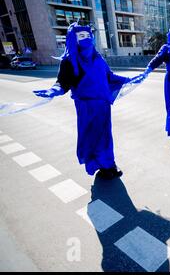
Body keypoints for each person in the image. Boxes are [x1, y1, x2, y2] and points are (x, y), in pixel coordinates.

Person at [33, 23, 136, 179]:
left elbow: (109, 76)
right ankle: (102, 165)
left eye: (88, 35)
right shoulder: (70, 61)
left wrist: (130, 79)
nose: (86, 39)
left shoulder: (97, 57)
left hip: (103, 105)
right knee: (93, 137)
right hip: (87, 107)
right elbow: (62, 82)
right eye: (81, 36)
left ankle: (108, 164)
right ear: (74, 39)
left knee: (105, 136)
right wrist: (53, 90)